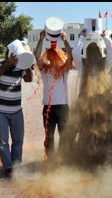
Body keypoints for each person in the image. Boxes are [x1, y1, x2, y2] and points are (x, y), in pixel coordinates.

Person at [61, 28, 112, 169]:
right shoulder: (84, 67)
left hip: (100, 105)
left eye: (94, 52)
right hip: (86, 105)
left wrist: (85, 37)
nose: (92, 55)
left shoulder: (101, 67)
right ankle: (86, 160)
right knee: (86, 132)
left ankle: (99, 159)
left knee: (100, 132)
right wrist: (83, 37)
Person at [0, 48, 33, 177]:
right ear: (8, 55)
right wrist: (8, 63)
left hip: (16, 111)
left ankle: (17, 165)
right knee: (3, 141)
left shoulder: (20, 68)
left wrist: (28, 65)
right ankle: (8, 167)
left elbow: (29, 79)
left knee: (18, 140)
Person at [35, 30, 72, 161]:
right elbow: (37, 56)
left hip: (63, 107)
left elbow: (70, 57)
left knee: (64, 135)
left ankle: (63, 160)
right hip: (48, 108)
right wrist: (41, 39)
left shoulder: (64, 72)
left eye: (56, 56)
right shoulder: (44, 72)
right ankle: (50, 160)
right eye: (50, 57)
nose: (53, 59)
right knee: (49, 136)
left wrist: (65, 40)